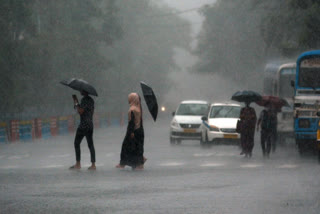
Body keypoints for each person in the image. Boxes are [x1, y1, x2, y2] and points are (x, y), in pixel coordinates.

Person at [116, 93, 146, 170]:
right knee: (138, 147)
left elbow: (131, 122)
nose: (128, 100)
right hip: (140, 130)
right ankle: (139, 163)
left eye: (130, 98)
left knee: (125, 146)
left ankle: (123, 163)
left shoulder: (132, 109)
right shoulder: (139, 108)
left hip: (133, 131)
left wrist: (131, 132)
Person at [69, 90, 96, 170]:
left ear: (84, 91)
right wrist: (77, 103)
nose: (80, 91)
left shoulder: (84, 100)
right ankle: (93, 165)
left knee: (76, 143)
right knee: (90, 144)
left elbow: (80, 111)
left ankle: (78, 164)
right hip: (90, 124)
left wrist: (76, 102)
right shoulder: (91, 100)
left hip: (84, 125)